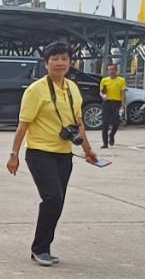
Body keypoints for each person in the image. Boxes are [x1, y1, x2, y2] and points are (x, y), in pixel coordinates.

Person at [7, 42, 98, 266]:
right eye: (54, 59)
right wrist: (14, 154)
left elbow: (79, 123)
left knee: (58, 202)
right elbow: (23, 125)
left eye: (64, 59)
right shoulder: (36, 90)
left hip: (64, 154)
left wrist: (87, 150)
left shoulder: (72, 89)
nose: (60, 63)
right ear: (46, 63)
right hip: (39, 153)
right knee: (52, 198)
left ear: (70, 62)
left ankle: (44, 247)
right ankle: (40, 249)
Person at [98, 62, 126, 148]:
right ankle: (105, 143)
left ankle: (112, 135)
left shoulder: (121, 80)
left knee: (116, 122)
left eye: (113, 69)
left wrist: (123, 105)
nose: (111, 71)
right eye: (109, 70)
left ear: (116, 70)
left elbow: (123, 94)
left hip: (116, 103)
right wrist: (103, 96)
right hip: (107, 103)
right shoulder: (104, 80)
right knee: (105, 123)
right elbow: (101, 92)